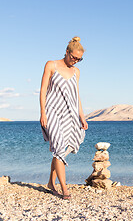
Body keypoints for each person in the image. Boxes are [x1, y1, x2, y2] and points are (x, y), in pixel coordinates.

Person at [40, 36, 88, 200]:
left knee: (60, 151)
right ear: (67, 52)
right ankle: (64, 188)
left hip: (70, 114)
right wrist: (42, 113)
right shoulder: (51, 65)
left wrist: (82, 116)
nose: (75, 61)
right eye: (74, 57)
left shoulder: (76, 72)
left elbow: (77, 96)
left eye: (79, 59)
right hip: (53, 112)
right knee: (59, 147)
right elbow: (43, 90)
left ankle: (51, 184)